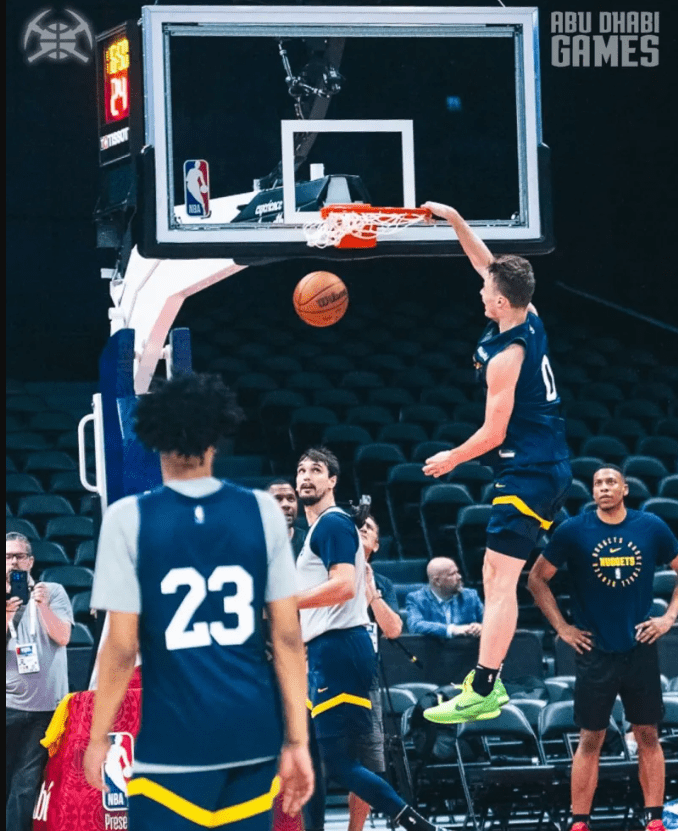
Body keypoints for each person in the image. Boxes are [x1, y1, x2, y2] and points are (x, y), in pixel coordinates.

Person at [83, 373, 314, 830]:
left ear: (152, 439)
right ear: (217, 438)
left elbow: (122, 648)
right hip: (251, 732)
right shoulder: (263, 511)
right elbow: (287, 639)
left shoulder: (128, 519)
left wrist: (97, 737)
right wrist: (297, 741)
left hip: (177, 738)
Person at [420, 201, 572, 725]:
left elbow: (494, 433)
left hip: (529, 467)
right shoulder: (527, 312)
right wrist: (457, 220)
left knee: (497, 579)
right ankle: (487, 681)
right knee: (496, 573)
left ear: (501, 302)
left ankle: (485, 686)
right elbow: (484, 263)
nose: (480, 291)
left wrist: (450, 459)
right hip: (545, 465)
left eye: (487, 290)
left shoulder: (507, 357)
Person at [528, 465, 678, 831]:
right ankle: (580, 823)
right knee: (591, 737)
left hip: (640, 645)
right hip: (594, 649)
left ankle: (654, 821)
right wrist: (562, 627)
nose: (604, 488)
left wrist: (668, 618)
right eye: (597, 483)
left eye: (611, 482)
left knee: (647, 735)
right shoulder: (574, 530)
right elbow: (536, 579)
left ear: (625, 489)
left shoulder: (651, 526)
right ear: (592, 492)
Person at [295, 448, 438, 831]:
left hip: (340, 647)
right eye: (301, 470)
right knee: (311, 756)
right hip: (326, 650)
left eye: (317, 470)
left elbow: (341, 587)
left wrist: (277, 602)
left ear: (333, 481)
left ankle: (420, 826)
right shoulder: (321, 530)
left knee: (341, 762)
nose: (306, 476)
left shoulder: (334, 523)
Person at [6, 532, 73, 831]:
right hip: (7, 705)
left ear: (31, 561)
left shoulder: (53, 591)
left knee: (25, 785)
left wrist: (42, 606)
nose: (13, 562)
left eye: (19, 556)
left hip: (46, 707)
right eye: (7, 557)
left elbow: (63, 637)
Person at [348, 515, 403, 831]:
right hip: (320, 678)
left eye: (367, 528)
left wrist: (370, 591)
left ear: (377, 544)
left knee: (367, 768)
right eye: (353, 528)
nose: (359, 531)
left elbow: (393, 629)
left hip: (364, 682)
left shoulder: (383, 583)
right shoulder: (320, 574)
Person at [405, 558, 482, 640]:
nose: (459, 577)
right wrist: (452, 629)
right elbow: (415, 625)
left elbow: (489, 621)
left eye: (457, 572)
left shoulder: (470, 595)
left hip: (467, 650)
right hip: (434, 651)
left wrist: (481, 627)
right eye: (452, 574)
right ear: (437, 581)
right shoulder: (417, 599)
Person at [267, 478, 307, 558]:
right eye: (278, 499)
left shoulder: (308, 541)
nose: (286, 504)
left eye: (290, 499)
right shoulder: (254, 543)